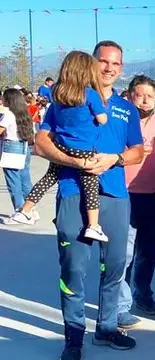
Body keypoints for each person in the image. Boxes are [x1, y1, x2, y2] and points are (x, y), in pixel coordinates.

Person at [35, 40, 144, 360]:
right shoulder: (65, 102)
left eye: (116, 63)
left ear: (121, 68)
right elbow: (41, 144)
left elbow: (137, 151)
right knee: (73, 269)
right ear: (91, 63)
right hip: (72, 192)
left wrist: (114, 159)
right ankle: (73, 337)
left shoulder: (127, 109)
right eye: (104, 61)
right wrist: (76, 162)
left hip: (114, 196)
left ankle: (107, 327)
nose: (109, 68)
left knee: (114, 266)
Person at [11, 51, 109, 242]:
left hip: (62, 146)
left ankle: (26, 209)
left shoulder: (57, 93)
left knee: (48, 178)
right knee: (90, 186)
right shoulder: (90, 94)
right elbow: (102, 119)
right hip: (85, 149)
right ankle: (94, 225)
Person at [116, 75, 155, 326]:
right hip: (125, 194)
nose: (145, 100)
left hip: (153, 195)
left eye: (150, 95)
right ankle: (120, 305)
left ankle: (143, 294)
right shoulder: (121, 121)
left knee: (148, 252)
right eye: (140, 95)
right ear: (129, 95)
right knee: (124, 254)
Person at [0, 88, 35, 222]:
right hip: (23, 147)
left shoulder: (8, 114)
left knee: (13, 181)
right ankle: (30, 209)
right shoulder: (23, 113)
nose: (2, 100)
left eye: (3, 97)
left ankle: (20, 211)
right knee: (25, 179)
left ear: (9, 100)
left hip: (11, 148)